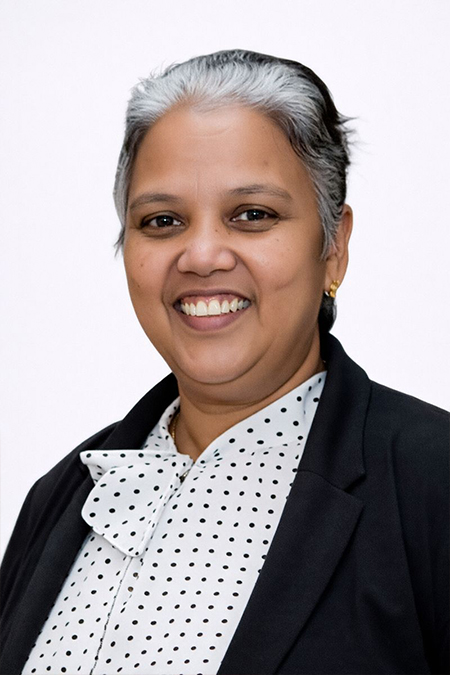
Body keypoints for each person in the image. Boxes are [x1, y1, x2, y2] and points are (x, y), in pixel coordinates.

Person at [0, 50, 448, 675]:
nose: (202, 255)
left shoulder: (433, 483)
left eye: (252, 215)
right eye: (163, 221)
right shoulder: (64, 496)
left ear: (333, 247)